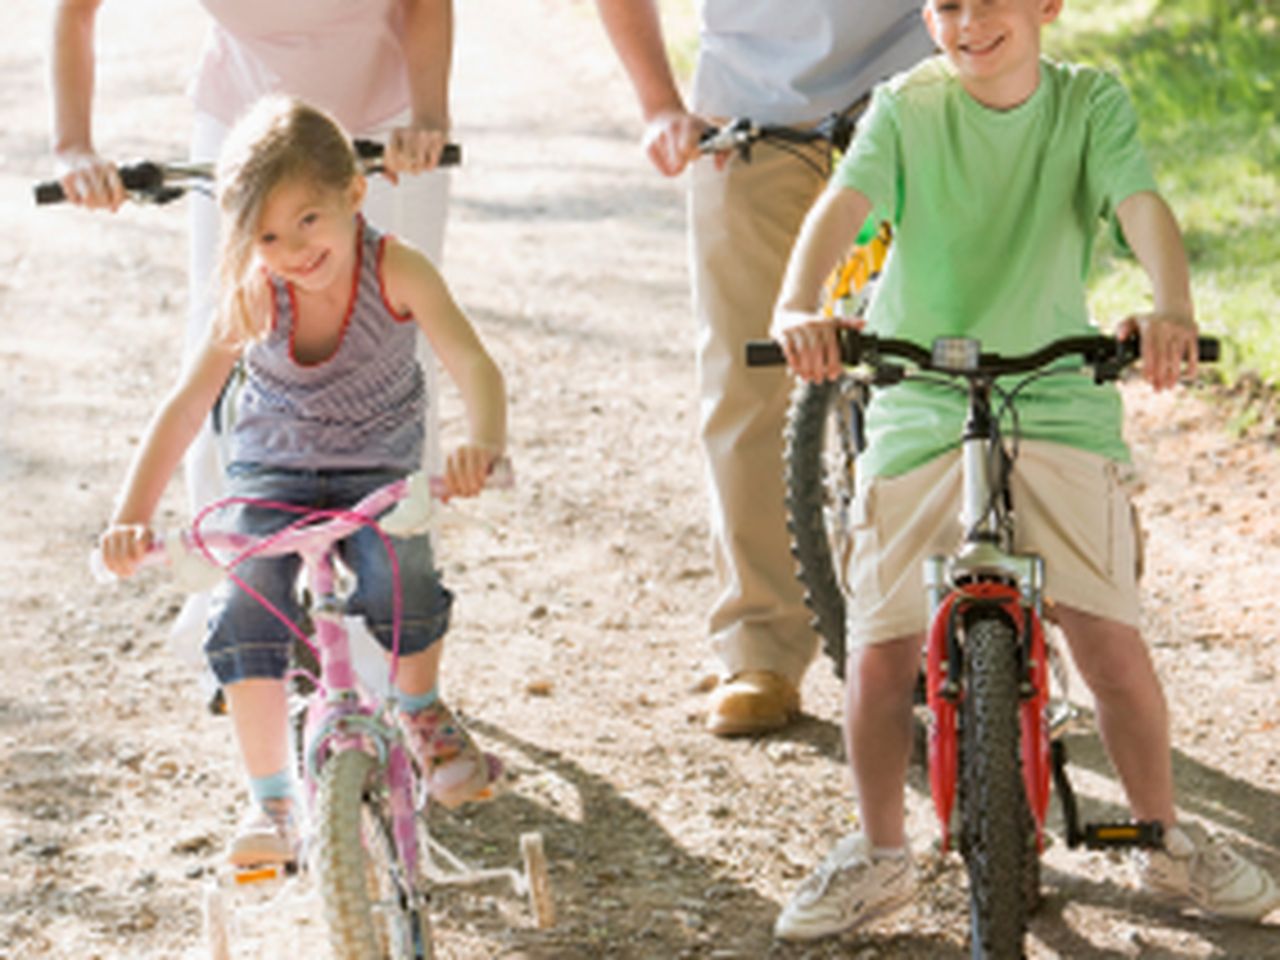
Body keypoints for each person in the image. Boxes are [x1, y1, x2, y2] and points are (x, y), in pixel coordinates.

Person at [768, 0, 1280, 940]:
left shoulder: (1089, 104)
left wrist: (1170, 307)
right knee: (880, 654)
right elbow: (843, 205)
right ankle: (881, 852)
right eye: (947, 4)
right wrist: (800, 303)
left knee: (1109, 644)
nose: (969, 21)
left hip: (1053, 395)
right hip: (922, 398)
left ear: (1046, 5)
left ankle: (1158, 837)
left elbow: (1142, 205)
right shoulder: (906, 109)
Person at [98, 97, 506, 865]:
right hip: (271, 476)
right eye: (268, 235)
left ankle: (419, 711)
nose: (291, 249)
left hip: (378, 469)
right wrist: (132, 513)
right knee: (245, 604)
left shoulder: (397, 268)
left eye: (309, 220)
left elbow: (472, 362)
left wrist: (483, 441)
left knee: (403, 576)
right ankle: (272, 803)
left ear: (354, 194)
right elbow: (188, 405)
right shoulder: (255, 292)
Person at [50, 0, 455, 663]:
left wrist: (430, 116)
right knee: (222, 346)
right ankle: (234, 597)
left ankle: (391, 633)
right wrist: (74, 146)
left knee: (396, 348)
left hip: (384, 120)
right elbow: (75, 11)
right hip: (245, 128)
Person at [593, 0, 936, 736]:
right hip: (749, 113)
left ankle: (962, 618)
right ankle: (759, 647)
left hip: (917, 87)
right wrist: (660, 104)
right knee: (747, 379)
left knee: (949, 358)